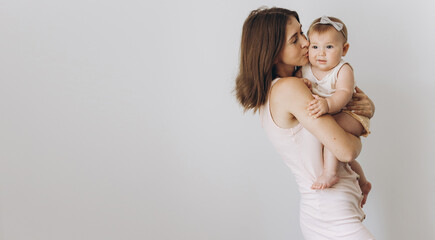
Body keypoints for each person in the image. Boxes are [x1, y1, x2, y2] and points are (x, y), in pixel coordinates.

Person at [234, 7, 375, 239]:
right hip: (332, 214)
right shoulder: (289, 89)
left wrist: (367, 108)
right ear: (273, 52)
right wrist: (362, 128)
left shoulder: (298, 84)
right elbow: (347, 151)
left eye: (302, 33)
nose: (306, 43)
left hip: (332, 209)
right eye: (294, 39)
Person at [296, 16, 372, 193]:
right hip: (331, 112)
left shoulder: (343, 69)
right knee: (338, 150)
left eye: (329, 47)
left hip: (350, 115)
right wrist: (305, 84)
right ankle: (363, 182)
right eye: (315, 47)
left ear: (344, 49)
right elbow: (300, 84)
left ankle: (330, 173)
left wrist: (328, 105)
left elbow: (344, 93)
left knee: (332, 133)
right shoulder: (306, 68)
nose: (321, 53)